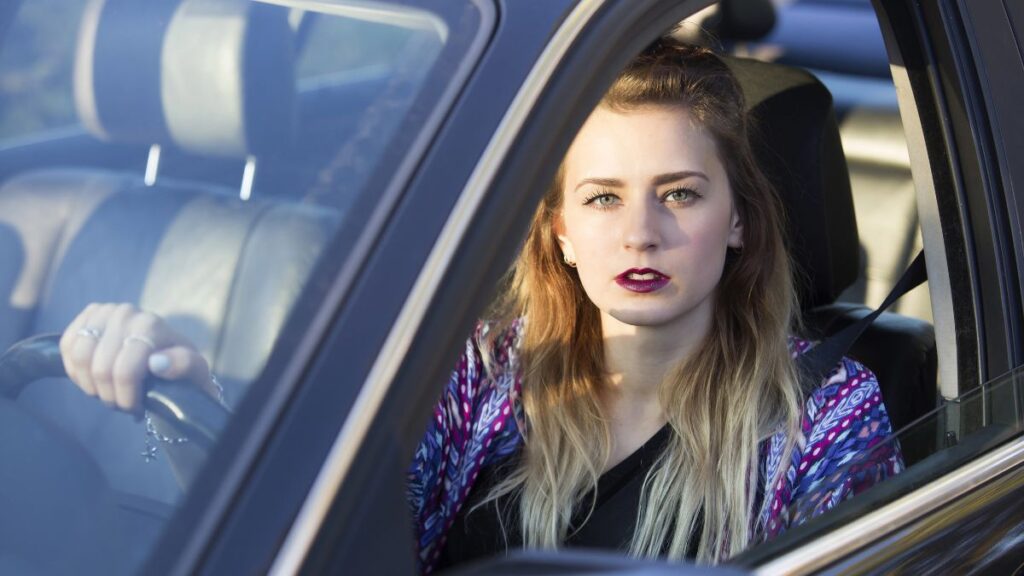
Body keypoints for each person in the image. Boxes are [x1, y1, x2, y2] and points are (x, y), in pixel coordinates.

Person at [59, 38, 902, 573]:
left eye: (679, 194)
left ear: (739, 222)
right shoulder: (487, 369)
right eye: (603, 199)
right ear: (561, 232)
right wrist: (195, 390)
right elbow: (353, 517)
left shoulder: (820, 415)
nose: (640, 234)